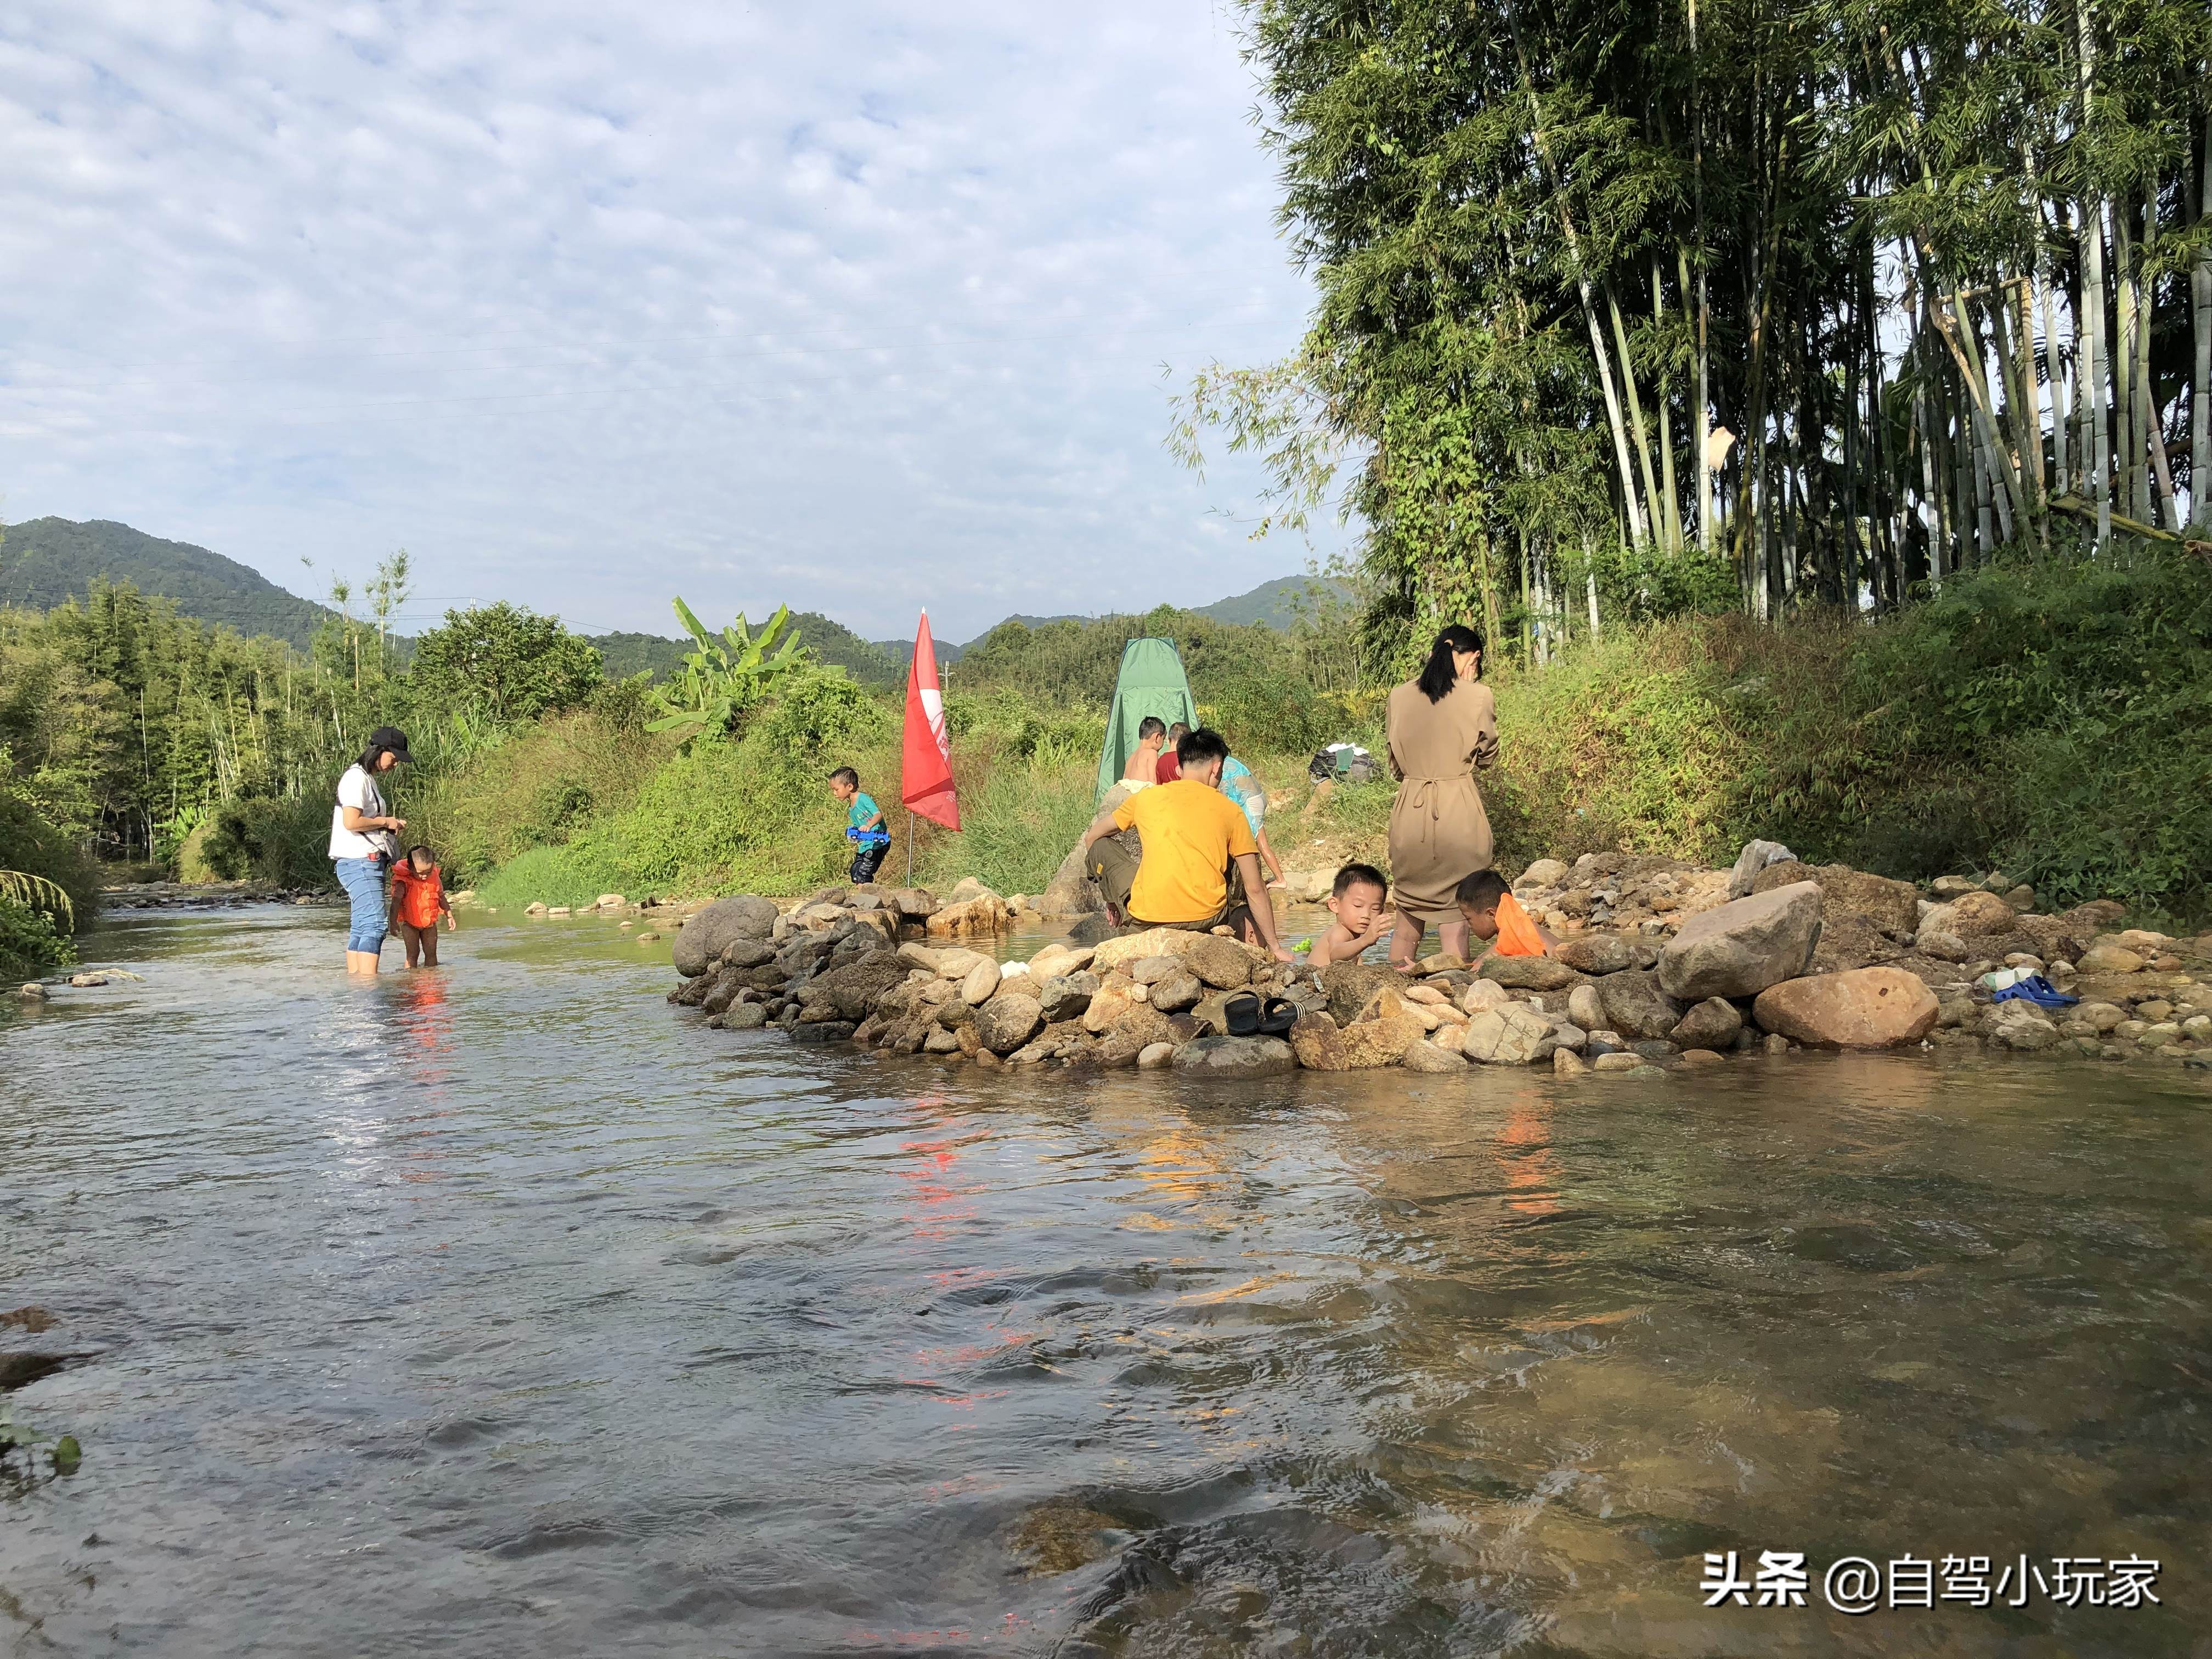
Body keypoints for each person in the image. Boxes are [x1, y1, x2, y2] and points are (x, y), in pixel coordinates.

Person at [1080, 727, 1296, 961]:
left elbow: (1092, 837)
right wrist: (1276, 948)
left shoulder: (1145, 799)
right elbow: (1255, 889)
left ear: (1178, 769)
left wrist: (1112, 899)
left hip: (1146, 918)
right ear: (1217, 768)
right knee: (1236, 854)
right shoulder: (1232, 811)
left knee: (1101, 844)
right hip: (1207, 918)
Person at [1385, 624, 1498, 968]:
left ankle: (1393, 991)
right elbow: (1488, 757)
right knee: (1456, 921)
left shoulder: (1398, 696)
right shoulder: (1479, 696)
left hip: (1410, 812)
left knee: (1406, 923)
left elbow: (1395, 764)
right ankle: (1455, 1003)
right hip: (1457, 810)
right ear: (1473, 658)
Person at [330, 725, 411, 975]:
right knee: (376, 925)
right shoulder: (356, 778)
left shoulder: (365, 778)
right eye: (394, 757)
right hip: (360, 861)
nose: (395, 764)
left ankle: (357, 986)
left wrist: (388, 825)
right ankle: (368, 990)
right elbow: (351, 822)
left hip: (360, 860)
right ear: (379, 751)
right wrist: (386, 822)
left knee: (362, 926)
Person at [1307, 862, 1393, 967]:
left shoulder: (1354, 942)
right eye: (1358, 906)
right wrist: (1365, 940)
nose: (1366, 915)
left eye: (1375, 909)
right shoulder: (1339, 932)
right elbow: (1335, 955)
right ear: (1335, 905)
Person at [1218, 753, 1285, 887]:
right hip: (1257, 799)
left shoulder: (1222, 767)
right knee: (1261, 843)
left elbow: (1223, 795)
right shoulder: (1232, 762)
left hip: (1250, 804)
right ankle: (1278, 878)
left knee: (1259, 844)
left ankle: (1278, 880)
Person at [388, 844, 457, 968]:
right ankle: (411, 979)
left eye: (429, 871)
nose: (425, 876)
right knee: (413, 954)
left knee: (431, 953)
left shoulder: (434, 877)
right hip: (409, 924)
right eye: (420, 873)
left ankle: (431, 980)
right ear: (410, 867)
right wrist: (392, 922)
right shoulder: (402, 881)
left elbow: (441, 896)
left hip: (429, 925)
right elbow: (396, 902)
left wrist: (449, 915)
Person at [1456, 868, 1554, 956]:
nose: (1468, 925)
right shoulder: (1535, 929)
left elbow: (1476, 970)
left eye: (1468, 919)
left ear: (1491, 914)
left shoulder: (1509, 943)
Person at [829, 766, 891, 883]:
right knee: (855, 871)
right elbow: (859, 827)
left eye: (836, 789)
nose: (834, 793)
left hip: (878, 842)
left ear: (850, 787)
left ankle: (869, 898)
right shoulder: (851, 808)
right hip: (866, 845)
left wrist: (869, 825)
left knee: (864, 872)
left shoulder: (863, 799)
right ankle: (862, 897)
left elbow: (878, 815)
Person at [1119, 715, 1167, 791]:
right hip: (1140, 797)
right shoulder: (1152, 753)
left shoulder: (1131, 757)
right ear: (1157, 737)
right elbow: (1153, 782)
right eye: (1163, 739)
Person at [1154, 721, 1190, 785]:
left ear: (1168, 740)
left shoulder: (1160, 761)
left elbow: (1158, 785)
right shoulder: (1185, 759)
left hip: (1166, 794)